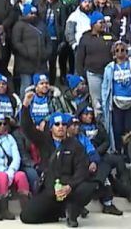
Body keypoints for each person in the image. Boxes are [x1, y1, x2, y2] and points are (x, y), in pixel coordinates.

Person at [19, 96, 95, 228]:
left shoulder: (76, 145)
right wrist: (25, 106)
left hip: (70, 188)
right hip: (50, 190)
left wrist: (70, 186)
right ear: (51, 128)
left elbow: (82, 170)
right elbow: (27, 128)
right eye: (57, 124)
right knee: (26, 217)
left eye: (64, 125)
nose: (61, 127)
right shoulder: (44, 141)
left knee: (88, 187)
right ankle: (58, 212)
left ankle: (72, 212)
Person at [65, 115, 127, 216]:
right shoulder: (65, 139)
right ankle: (79, 205)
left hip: (86, 166)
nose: (77, 127)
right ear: (67, 127)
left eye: (78, 125)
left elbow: (92, 152)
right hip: (72, 170)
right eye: (73, 125)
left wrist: (93, 162)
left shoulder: (82, 137)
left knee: (104, 168)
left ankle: (108, 203)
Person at [0, 113, 30, 220]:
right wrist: (3, 170)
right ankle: (3, 209)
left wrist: (11, 170)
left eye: (4, 124)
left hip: (9, 169)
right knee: (3, 177)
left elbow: (17, 157)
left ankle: (26, 209)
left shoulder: (10, 138)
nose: (3, 126)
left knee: (21, 175)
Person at [102, 40, 131, 154]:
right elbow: (105, 87)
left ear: (127, 52)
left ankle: (128, 151)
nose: (120, 52)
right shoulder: (109, 68)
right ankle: (117, 150)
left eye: (123, 50)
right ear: (113, 53)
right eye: (117, 50)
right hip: (116, 103)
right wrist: (105, 102)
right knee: (117, 129)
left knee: (130, 129)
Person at [76, 11, 115, 116]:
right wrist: (81, 75)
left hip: (108, 73)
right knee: (97, 102)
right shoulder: (85, 38)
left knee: (109, 100)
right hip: (93, 74)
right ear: (93, 24)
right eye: (100, 22)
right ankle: (99, 123)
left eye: (104, 22)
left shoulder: (109, 36)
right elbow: (79, 58)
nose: (103, 25)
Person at [12, 3, 49, 97]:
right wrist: (28, 53)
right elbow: (16, 42)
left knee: (41, 87)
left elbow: (48, 41)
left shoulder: (41, 25)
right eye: (30, 13)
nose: (33, 15)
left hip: (41, 62)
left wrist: (46, 53)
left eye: (34, 13)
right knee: (26, 86)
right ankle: (24, 107)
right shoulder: (19, 25)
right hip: (25, 63)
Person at [38, 0, 66, 85]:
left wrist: (62, 39)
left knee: (53, 63)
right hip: (42, 38)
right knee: (42, 63)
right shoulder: (40, 5)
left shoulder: (60, 5)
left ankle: (52, 83)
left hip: (54, 38)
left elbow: (63, 23)